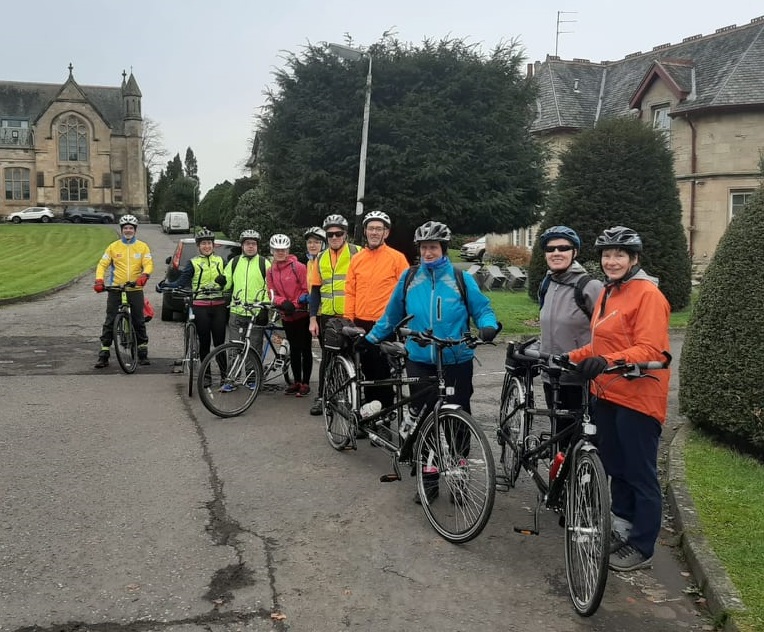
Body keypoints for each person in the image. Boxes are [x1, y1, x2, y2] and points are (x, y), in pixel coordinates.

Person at [363, 221, 499, 503]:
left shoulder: (460, 279)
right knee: (424, 419)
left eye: (433, 247)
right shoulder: (410, 278)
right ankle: (429, 476)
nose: (428, 252)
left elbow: (482, 308)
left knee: (458, 419)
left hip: (456, 358)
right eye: (424, 248)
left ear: (443, 249)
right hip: (420, 358)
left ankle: (459, 475)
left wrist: (488, 326)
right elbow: (391, 315)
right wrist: (370, 339)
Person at [564, 226, 670, 573]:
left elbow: (651, 348)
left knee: (640, 473)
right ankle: (622, 527)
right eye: (607, 255)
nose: (611, 261)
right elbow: (599, 346)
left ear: (634, 259)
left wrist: (605, 363)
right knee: (615, 466)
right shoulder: (608, 292)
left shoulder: (647, 295)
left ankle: (643, 545)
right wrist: (569, 358)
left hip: (639, 396)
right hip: (606, 392)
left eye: (619, 255)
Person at [537, 226, 603, 444]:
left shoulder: (589, 286)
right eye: (551, 248)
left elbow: (607, 331)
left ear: (574, 252)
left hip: (579, 377)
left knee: (582, 439)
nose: (556, 253)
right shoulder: (547, 283)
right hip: (551, 374)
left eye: (563, 248)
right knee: (560, 436)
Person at [345, 211, 409, 415]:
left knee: (384, 373)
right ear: (365, 231)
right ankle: (371, 412)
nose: (374, 232)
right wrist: (349, 319)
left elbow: (407, 292)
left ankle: (385, 411)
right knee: (367, 371)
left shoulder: (397, 259)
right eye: (371, 228)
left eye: (378, 229)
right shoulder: (357, 259)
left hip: (386, 324)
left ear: (386, 233)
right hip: (361, 322)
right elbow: (350, 290)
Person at [157, 228, 228, 385]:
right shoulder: (193, 263)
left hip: (218, 305)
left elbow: (230, 281)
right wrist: (165, 286)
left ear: (213, 245)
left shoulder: (222, 262)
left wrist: (225, 282)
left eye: (209, 243)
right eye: (203, 244)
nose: (206, 246)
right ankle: (207, 375)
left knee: (220, 343)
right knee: (204, 342)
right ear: (198, 246)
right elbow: (181, 282)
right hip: (200, 305)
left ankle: (225, 375)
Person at [307, 214, 359, 415]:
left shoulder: (357, 253)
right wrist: (312, 318)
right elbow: (315, 290)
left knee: (354, 360)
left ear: (345, 234)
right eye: (330, 234)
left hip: (351, 315)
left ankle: (352, 399)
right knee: (328, 359)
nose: (334, 237)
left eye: (339, 233)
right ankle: (323, 396)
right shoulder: (320, 257)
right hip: (327, 317)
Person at [93, 214, 153, 368]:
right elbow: (102, 264)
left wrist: (144, 275)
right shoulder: (113, 247)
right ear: (121, 230)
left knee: (139, 320)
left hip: (135, 288)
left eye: (130, 228)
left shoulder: (142, 246)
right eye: (125, 228)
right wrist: (99, 280)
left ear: (135, 230)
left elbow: (148, 263)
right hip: (116, 288)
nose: (128, 230)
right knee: (110, 320)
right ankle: (104, 353)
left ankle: (142, 352)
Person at [267, 234, 312, 396]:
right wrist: (281, 302)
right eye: (277, 250)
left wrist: (294, 303)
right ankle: (296, 381)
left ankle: (306, 383)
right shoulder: (270, 271)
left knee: (305, 349)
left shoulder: (298, 267)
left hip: (301, 314)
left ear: (288, 250)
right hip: (286, 314)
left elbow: (307, 289)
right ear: (272, 251)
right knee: (293, 348)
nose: (280, 253)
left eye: (283, 250)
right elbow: (271, 293)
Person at [221, 229, 271, 358]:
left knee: (253, 350)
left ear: (257, 246)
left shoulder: (264, 263)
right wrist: (221, 282)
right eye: (247, 243)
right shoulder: (235, 262)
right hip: (237, 311)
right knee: (233, 349)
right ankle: (232, 377)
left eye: (253, 244)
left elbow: (270, 287)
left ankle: (252, 378)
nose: (250, 246)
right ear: (242, 245)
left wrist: (264, 307)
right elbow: (226, 285)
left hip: (256, 313)